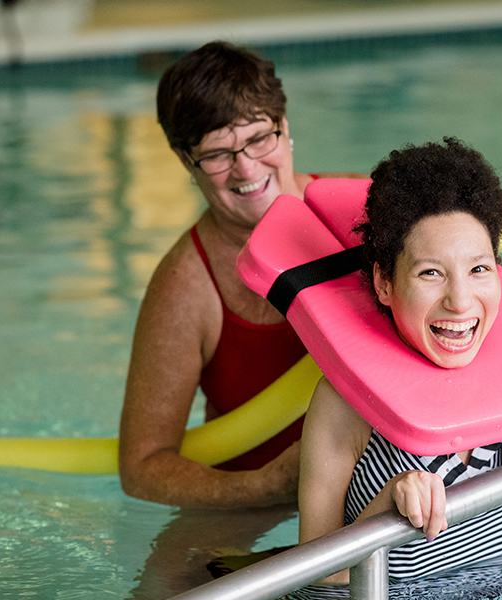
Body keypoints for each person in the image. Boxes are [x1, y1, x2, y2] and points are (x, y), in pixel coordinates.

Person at [297, 139, 502, 585]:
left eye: (479, 269)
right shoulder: (344, 401)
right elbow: (313, 577)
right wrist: (386, 508)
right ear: (384, 283)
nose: (460, 302)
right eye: (430, 273)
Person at [119, 41, 364, 508]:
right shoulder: (186, 286)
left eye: (258, 138)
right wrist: (266, 486)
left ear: (284, 125)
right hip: (254, 494)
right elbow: (142, 467)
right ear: (183, 159)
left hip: (382, 470)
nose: (246, 168)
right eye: (217, 154)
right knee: (169, 579)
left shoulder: (357, 210)